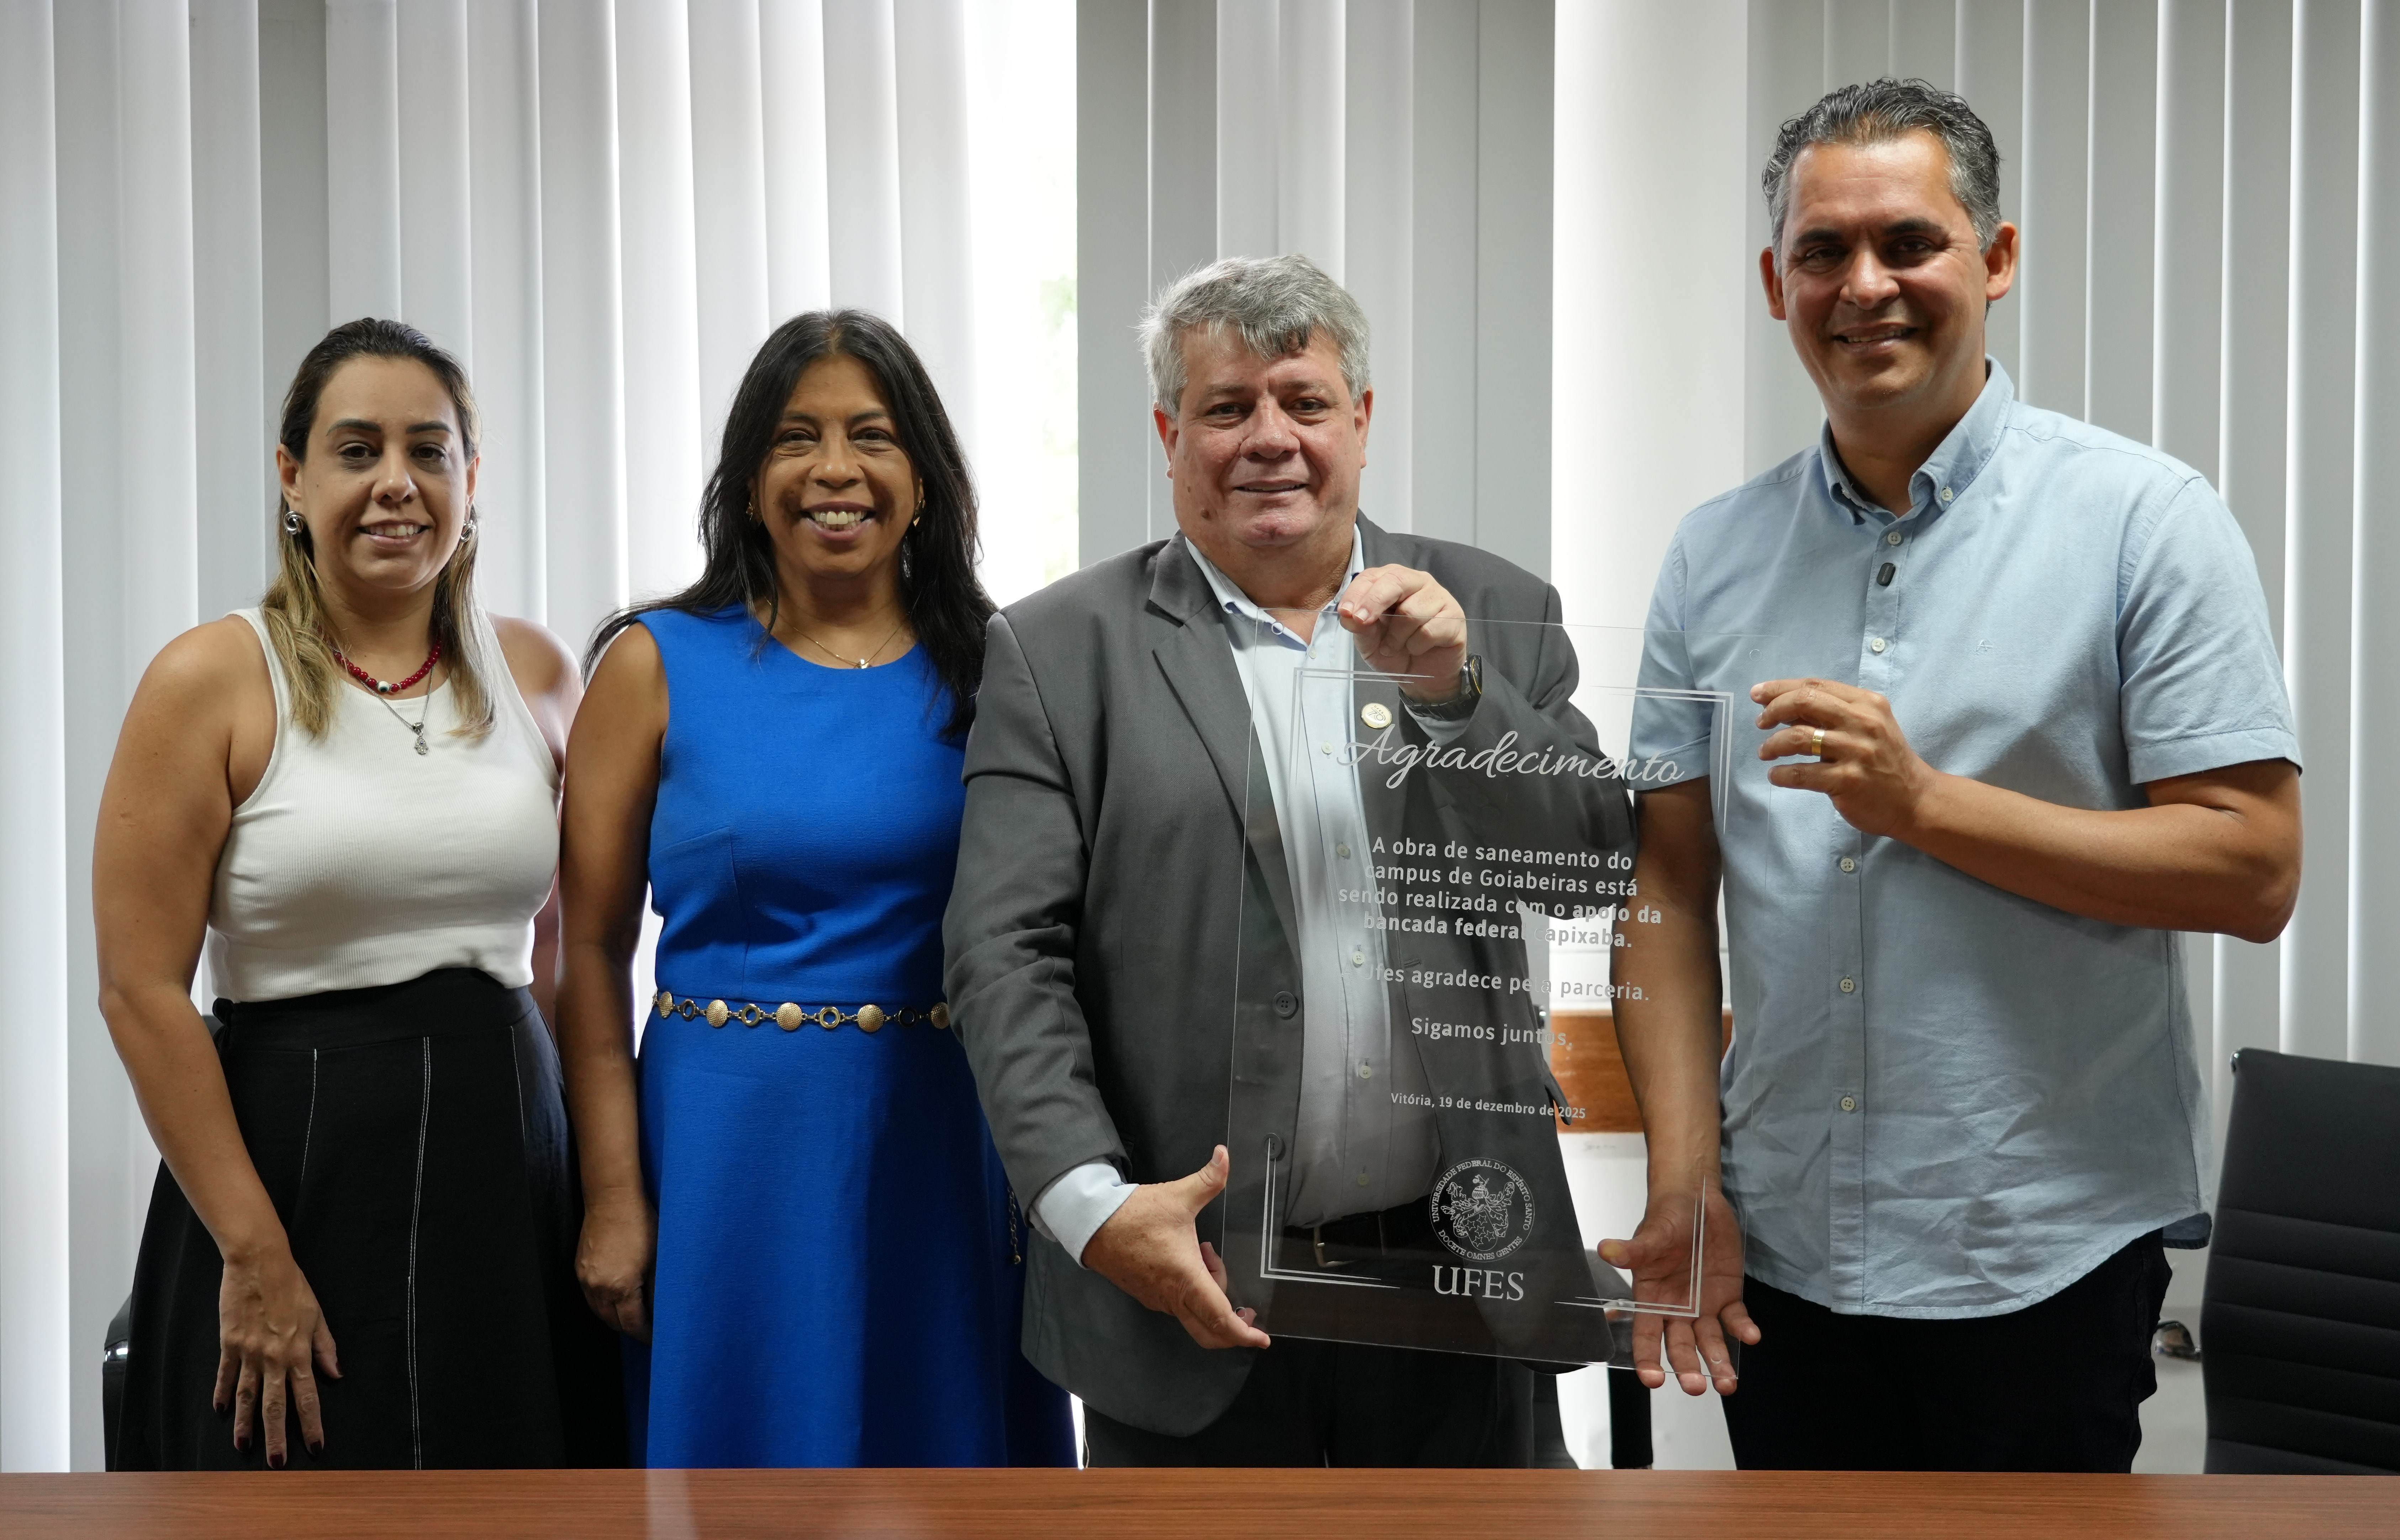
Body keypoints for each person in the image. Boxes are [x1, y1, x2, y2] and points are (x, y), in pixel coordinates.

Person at [1608, 78, 2302, 1472]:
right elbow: (1668, 889)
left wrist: (1921, 804)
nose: (1864, 285)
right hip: (1782, 1247)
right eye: (1822, 252)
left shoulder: (2145, 521)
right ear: (1775, 285)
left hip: (2043, 1244)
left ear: (1995, 260)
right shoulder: (1711, 554)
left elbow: (2250, 867)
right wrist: (1684, 1180)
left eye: (1909, 242)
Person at [944, 254, 1629, 1467]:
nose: (1270, 438)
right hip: (1187, 1280)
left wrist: (1457, 697)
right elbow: (1005, 955)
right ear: (1170, 435)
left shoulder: (1492, 609)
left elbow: (1581, 874)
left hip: (1456, 1280)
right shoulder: (1059, 652)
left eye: (1304, 402)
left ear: (1359, 419)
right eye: (1227, 407)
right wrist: (1092, 1210)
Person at [99, 318, 621, 1470]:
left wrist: (605, 1191)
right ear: (293, 478)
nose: (396, 482)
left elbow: (566, 959)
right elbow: (140, 992)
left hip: (510, 1152)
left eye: (429, 451)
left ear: (471, 479)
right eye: (356, 450)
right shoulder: (208, 680)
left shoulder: (538, 672)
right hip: (291, 1165)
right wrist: (254, 1254)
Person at [558, 310, 1074, 1468]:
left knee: (947, 1473)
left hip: (946, 1144)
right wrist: (613, 1195)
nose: (834, 469)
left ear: (924, 481)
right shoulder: (651, 663)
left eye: (871, 436)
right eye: (796, 438)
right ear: (748, 484)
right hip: (723, 1153)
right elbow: (585, 953)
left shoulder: (1003, 670)